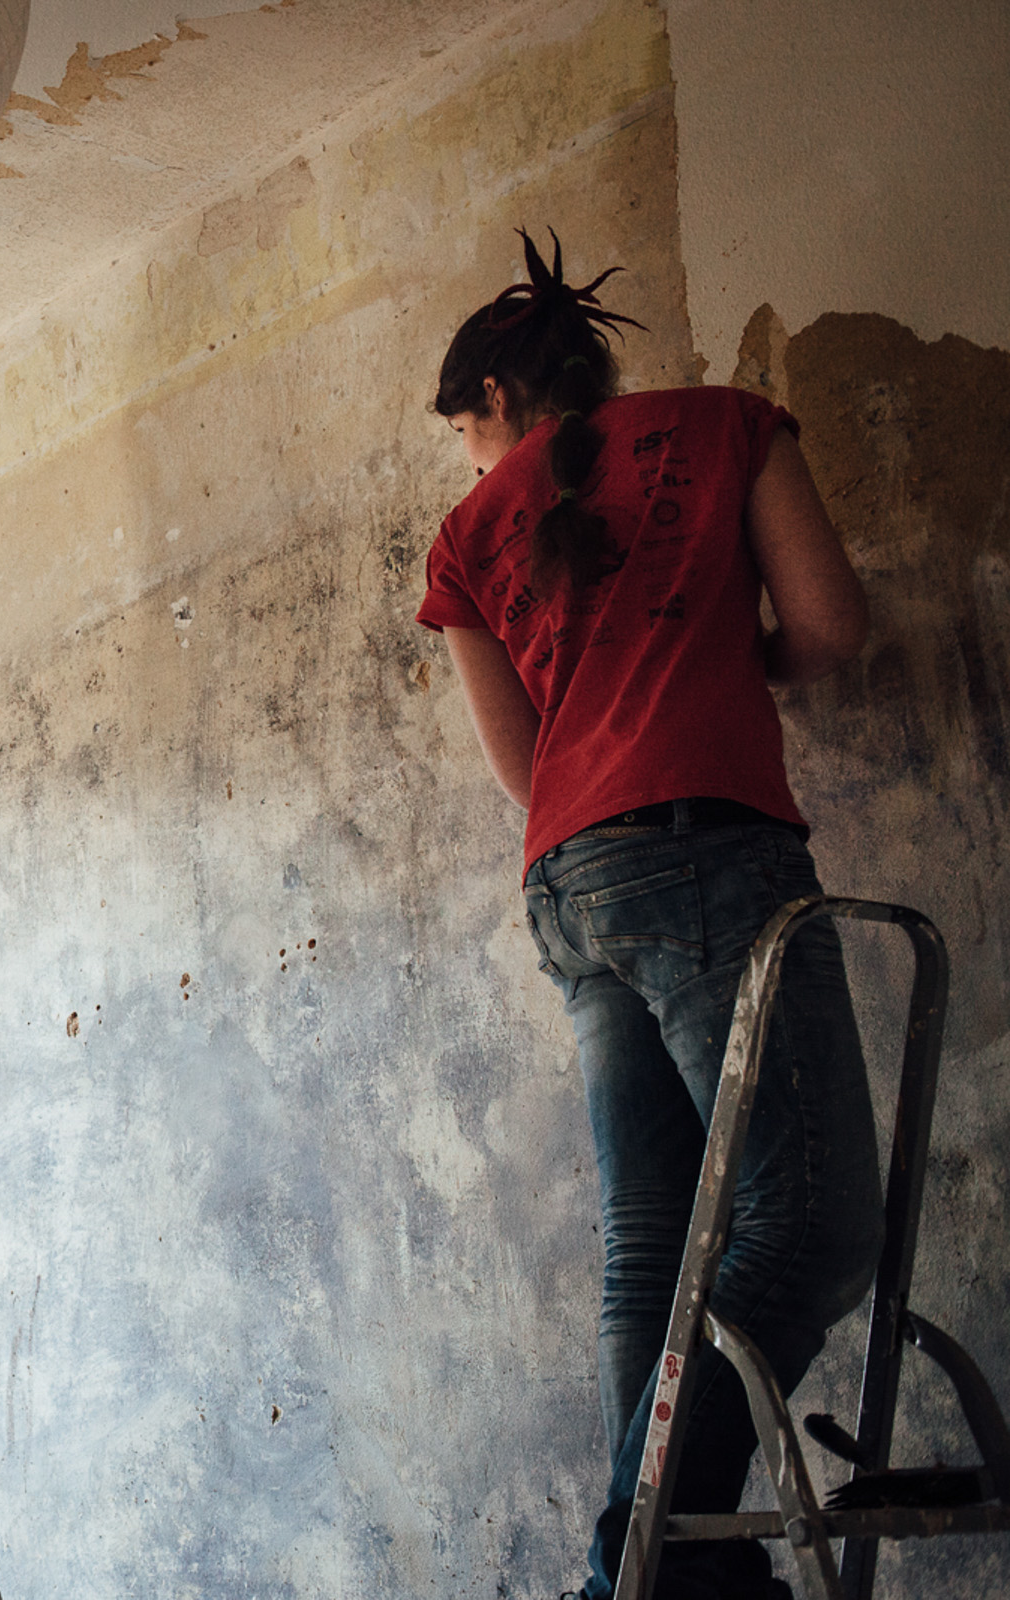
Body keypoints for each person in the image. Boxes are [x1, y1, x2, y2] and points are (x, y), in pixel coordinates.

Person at [417, 232, 885, 1599]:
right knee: (813, 1224)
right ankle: (644, 1559)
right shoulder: (725, 427)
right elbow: (830, 628)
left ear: (495, 404)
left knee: (655, 1243)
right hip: (705, 850)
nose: (468, 461)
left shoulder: (463, 538)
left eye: (461, 430)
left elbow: (524, 772)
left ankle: (663, 1568)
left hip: (568, 889)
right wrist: (721, 674)